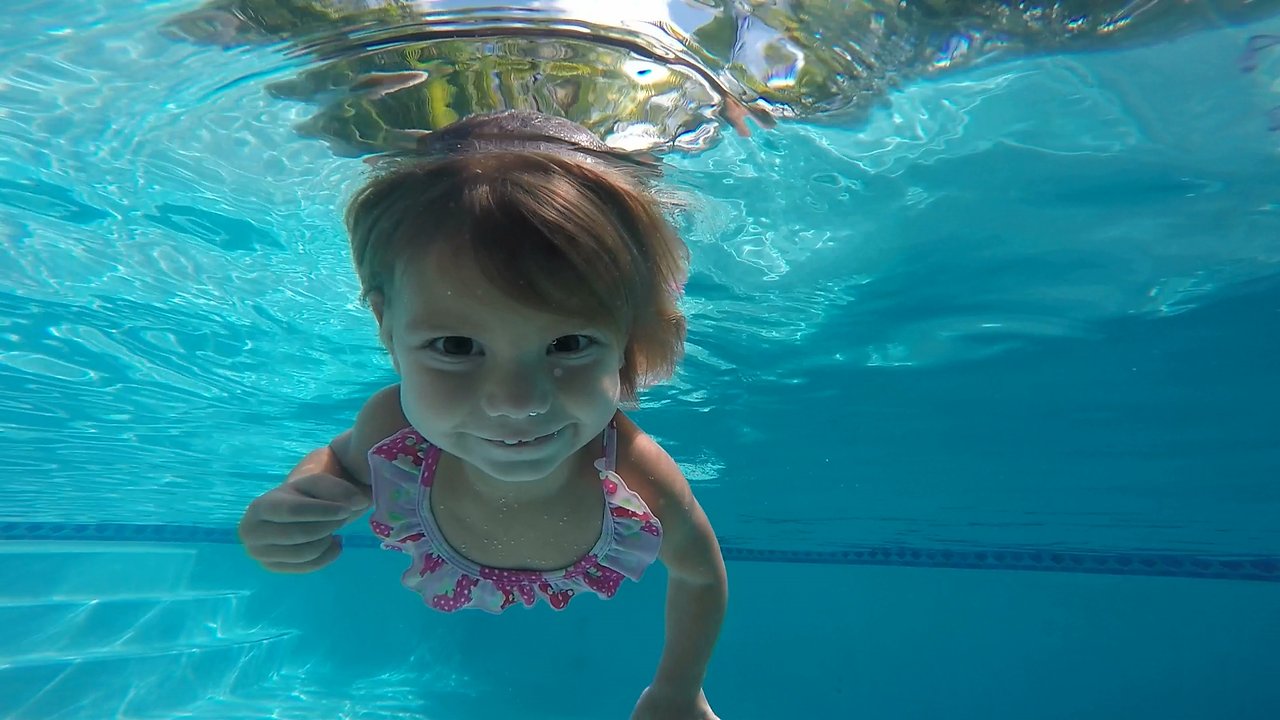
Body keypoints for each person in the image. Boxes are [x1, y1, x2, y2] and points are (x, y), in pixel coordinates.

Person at [236, 111, 727, 720]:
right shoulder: (395, 430)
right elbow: (341, 463)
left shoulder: (634, 473)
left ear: (625, 339)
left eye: (568, 344)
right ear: (387, 326)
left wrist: (678, 689)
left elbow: (702, 576)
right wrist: (295, 503)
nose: (518, 402)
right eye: (457, 346)